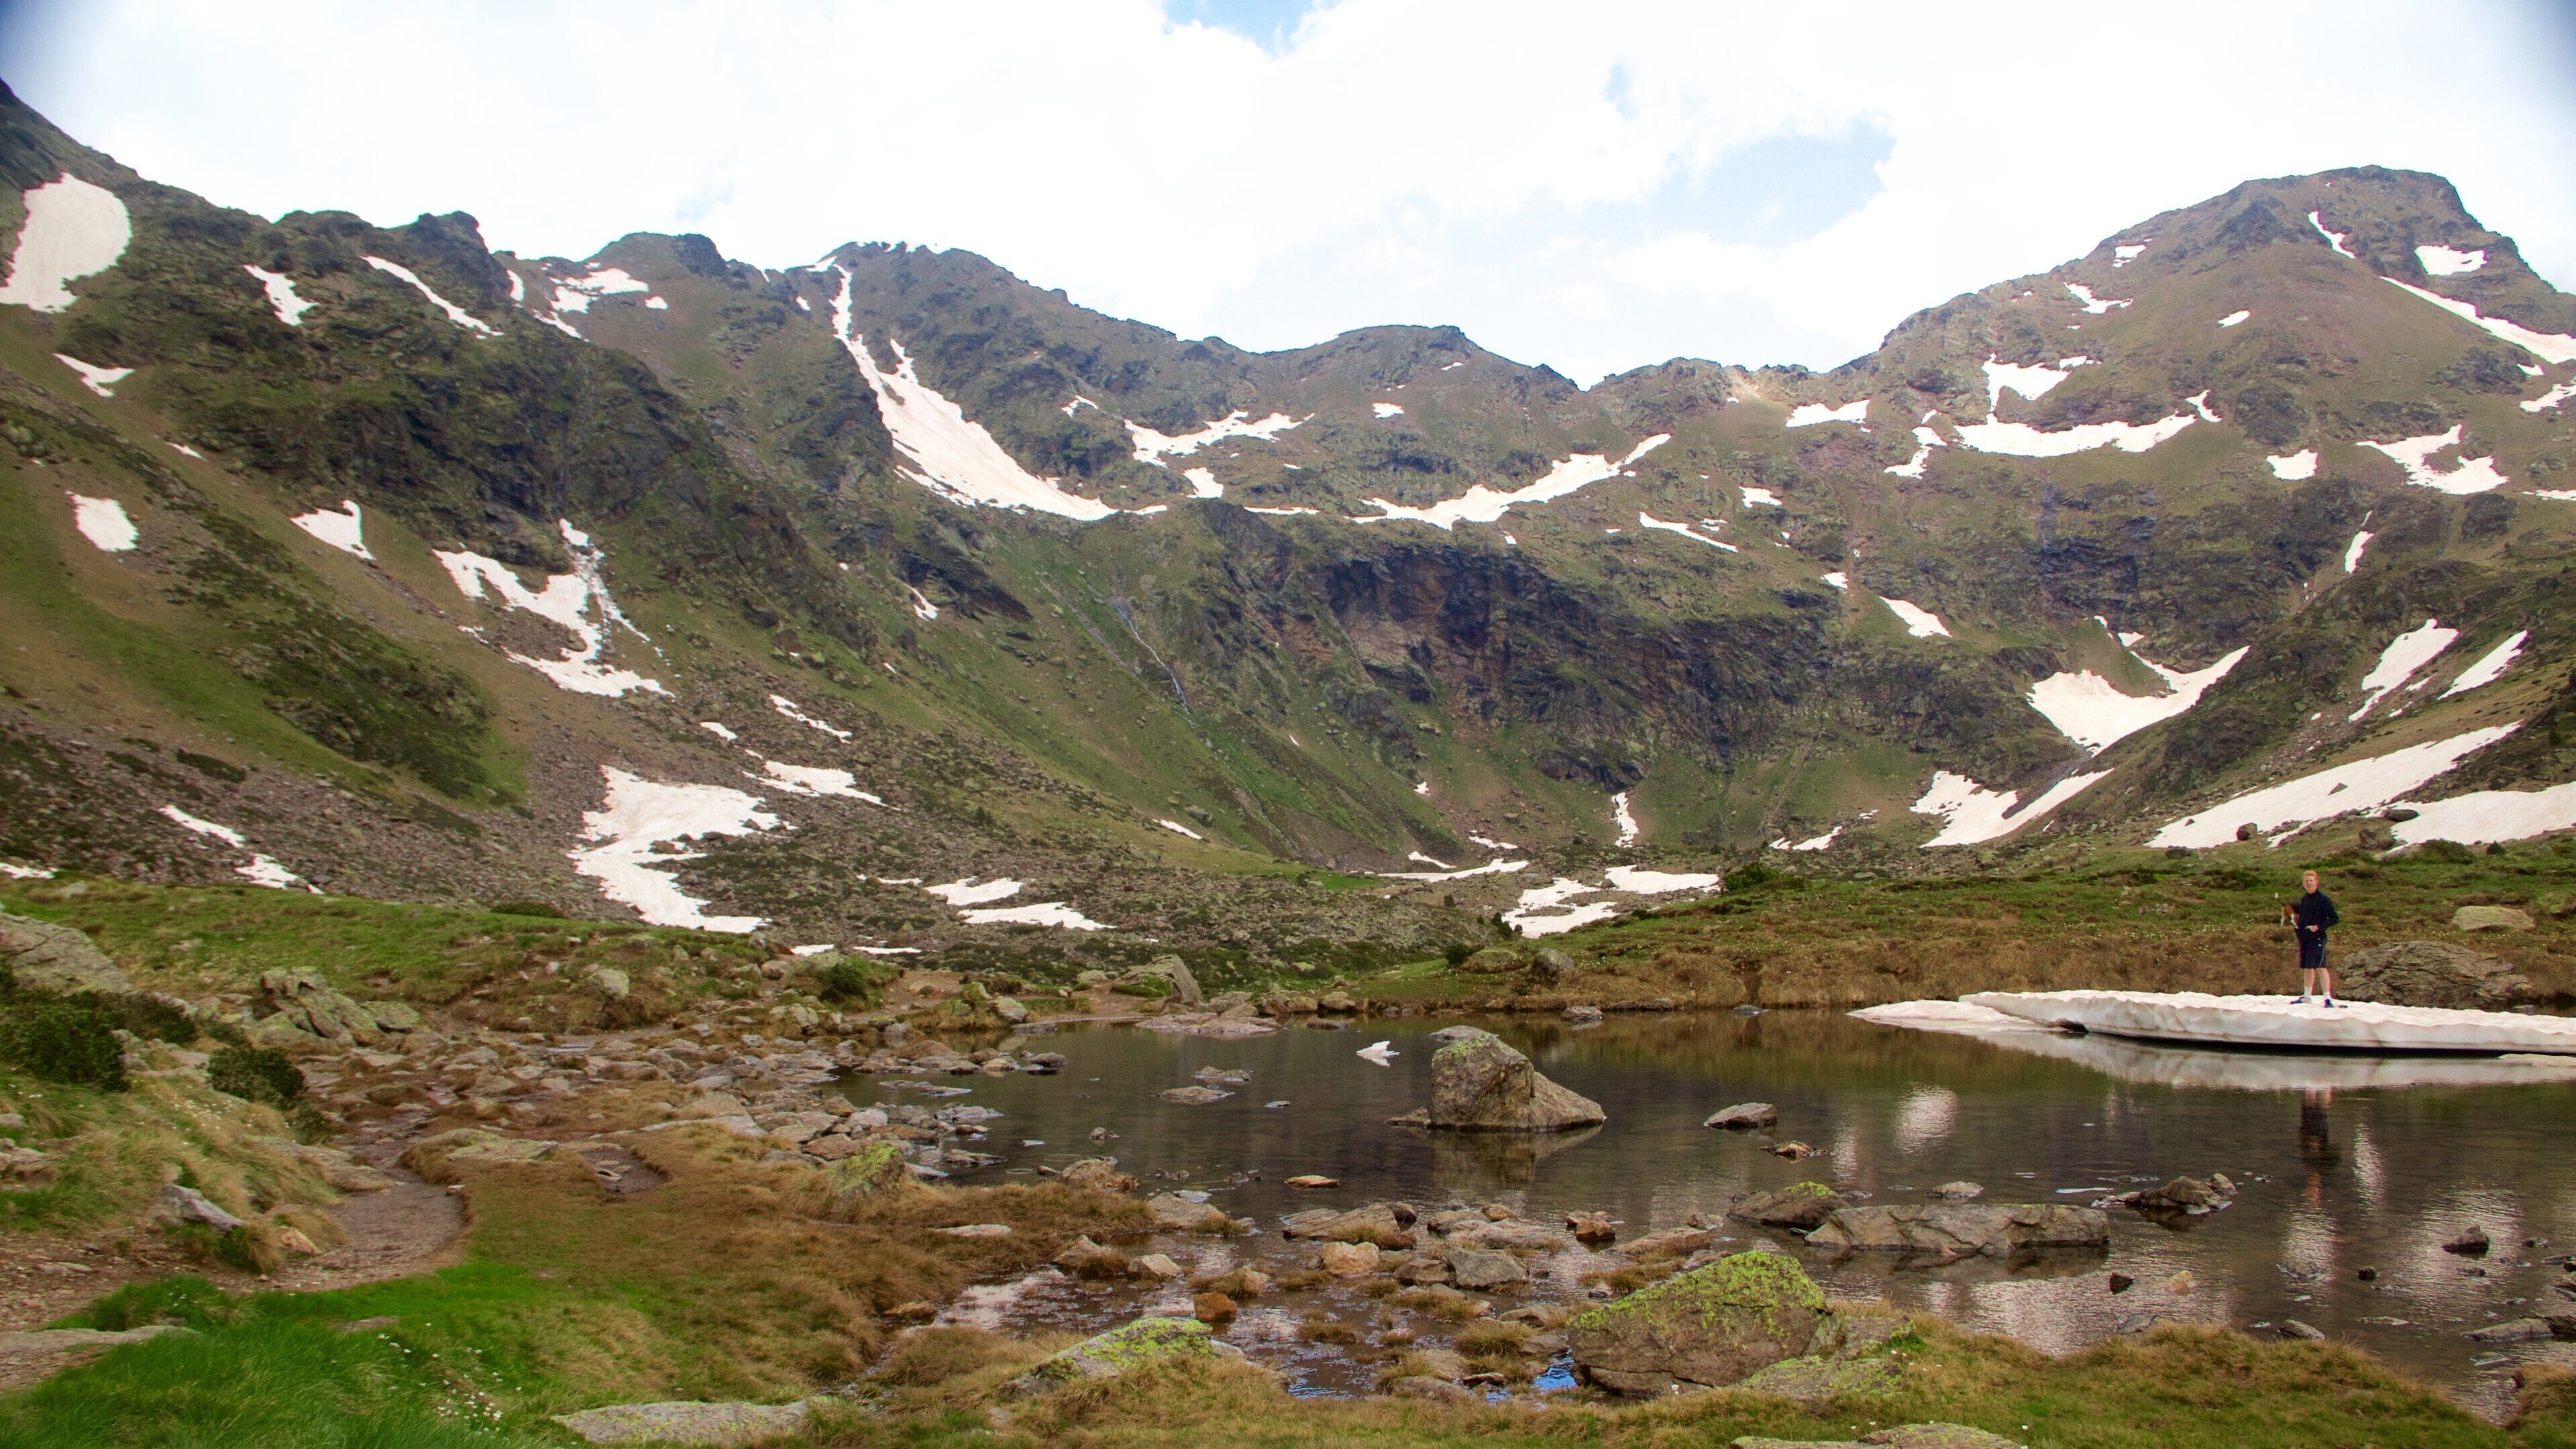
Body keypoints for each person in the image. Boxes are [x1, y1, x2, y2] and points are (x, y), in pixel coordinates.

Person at [2287, 869, 2341, 1006]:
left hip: (2318, 938)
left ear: (2316, 882)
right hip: (2305, 938)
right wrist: (2299, 926)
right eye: (2306, 881)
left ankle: (2327, 998)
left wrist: (2317, 927)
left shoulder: (2323, 899)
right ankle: (2306, 996)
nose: (2308, 883)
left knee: (2320, 967)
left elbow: (2334, 918)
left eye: (2311, 881)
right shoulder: (2305, 899)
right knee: (2307, 967)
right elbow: (2304, 917)